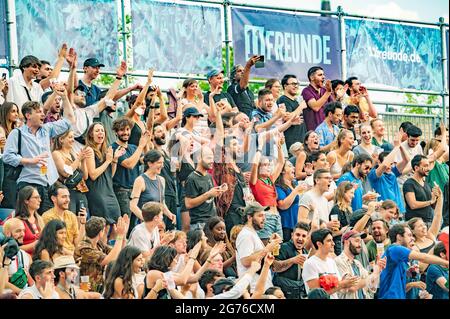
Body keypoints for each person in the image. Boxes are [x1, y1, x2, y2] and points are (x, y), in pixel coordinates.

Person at [2, 100, 73, 214]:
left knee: (46, 223)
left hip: (47, 185)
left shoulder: (47, 129)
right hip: (27, 184)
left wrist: (65, 96)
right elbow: (7, 156)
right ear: (28, 115)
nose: (43, 114)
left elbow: (69, 121)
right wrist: (30, 161)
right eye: (39, 112)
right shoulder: (17, 133)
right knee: (29, 220)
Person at [378, 223, 449, 299]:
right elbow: (423, 257)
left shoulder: (401, 260)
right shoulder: (394, 249)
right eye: (409, 235)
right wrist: (446, 262)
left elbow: (401, 287)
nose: (413, 239)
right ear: (399, 237)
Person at [85, 122, 124, 234]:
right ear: (91, 134)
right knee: (104, 227)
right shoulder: (89, 150)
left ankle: (112, 251)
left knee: (116, 226)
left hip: (109, 192)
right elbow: (92, 174)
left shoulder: (106, 151)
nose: (100, 133)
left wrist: (114, 160)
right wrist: (108, 161)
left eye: (102, 130)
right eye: (97, 131)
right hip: (97, 193)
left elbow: (109, 175)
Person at [74, 215, 130, 293]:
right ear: (101, 232)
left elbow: (118, 253)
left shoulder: (98, 244)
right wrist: (119, 236)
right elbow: (108, 260)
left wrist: (123, 236)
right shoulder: (84, 248)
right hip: (85, 289)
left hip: (98, 286)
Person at [235, 201, 281, 293]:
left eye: (264, 215)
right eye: (260, 216)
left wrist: (269, 244)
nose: (264, 219)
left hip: (260, 287)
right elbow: (246, 261)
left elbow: (258, 256)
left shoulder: (252, 233)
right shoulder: (246, 235)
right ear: (249, 217)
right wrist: (267, 248)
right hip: (252, 289)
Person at [302, 228, 359, 299]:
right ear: (319, 244)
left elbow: (339, 288)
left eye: (332, 240)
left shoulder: (331, 262)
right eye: (329, 241)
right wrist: (342, 285)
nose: (333, 243)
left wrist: (348, 283)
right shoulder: (310, 263)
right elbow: (317, 295)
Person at [111, 117, 149, 219]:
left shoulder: (133, 147)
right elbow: (129, 164)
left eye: (127, 129)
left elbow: (147, 160)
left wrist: (146, 143)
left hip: (134, 191)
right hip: (121, 191)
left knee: (133, 225)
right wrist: (141, 146)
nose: (125, 132)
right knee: (125, 222)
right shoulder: (114, 148)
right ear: (116, 132)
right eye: (122, 130)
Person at [249, 134, 285, 240]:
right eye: (264, 165)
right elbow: (254, 164)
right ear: (259, 167)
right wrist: (260, 147)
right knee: (266, 245)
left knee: (278, 246)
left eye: (269, 164)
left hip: (277, 216)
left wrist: (279, 146)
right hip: (266, 216)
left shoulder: (270, 179)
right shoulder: (255, 181)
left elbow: (281, 162)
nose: (268, 167)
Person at [130, 150, 176, 231]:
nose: (162, 166)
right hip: (143, 225)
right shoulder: (140, 180)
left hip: (157, 224)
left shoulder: (161, 180)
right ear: (150, 163)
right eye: (159, 163)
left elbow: (161, 203)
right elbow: (133, 206)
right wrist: (147, 220)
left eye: (162, 163)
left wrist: (169, 214)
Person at [335, 229, 385, 299]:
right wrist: (373, 275)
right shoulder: (338, 261)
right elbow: (352, 287)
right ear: (347, 242)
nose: (360, 245)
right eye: (357, 241)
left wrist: (378, 269)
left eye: (360, 242)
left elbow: (371, 286)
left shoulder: (357, 263)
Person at [185, 146, 224, 231]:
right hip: (200, 223)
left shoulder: (209, 176)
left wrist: (218, 191)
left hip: (212, 221)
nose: (212, 161)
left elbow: (209, 198)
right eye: (209, 158)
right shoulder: (192, 178)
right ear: (199, 158)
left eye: (212, 158)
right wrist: (209, 194)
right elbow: (188, 203)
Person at [52, 130, 89, 213]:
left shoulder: (73, 154)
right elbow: (65, 173)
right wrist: (79, 159)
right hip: (68, 192)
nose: (73, 140)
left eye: (73, 137)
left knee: (82, 220)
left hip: (81, 192)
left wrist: (83, 161)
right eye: (70, 137)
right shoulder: (56, 153)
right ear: (61, 139)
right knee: (70, 220)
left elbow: (85, 176)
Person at [42, 182, 86, 253]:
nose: (68, 200)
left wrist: (83, 223)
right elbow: (51, 245)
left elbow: (77, 243)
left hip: (73, 255)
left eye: (68, 196)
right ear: (53, 198)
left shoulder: (71, 215)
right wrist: (71, 254)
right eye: (64, 197)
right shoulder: (47, 217)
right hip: (58, 256)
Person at [368, 139, 409, 213]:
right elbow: (384, 165)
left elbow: (406, 160)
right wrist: (396, 147)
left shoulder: (392, 172)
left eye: (391, 163)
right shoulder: (374, 174)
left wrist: (400, 146)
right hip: (385, 212)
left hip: (398, 211)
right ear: (379, 162)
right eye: (389, 163)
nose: (389, 166)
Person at [272, 222, 310, 299]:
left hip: (299, 293)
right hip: (283, 292)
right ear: (292, 235)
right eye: (298, 235)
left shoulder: (305, 252)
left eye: (304, 236)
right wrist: (292, 260)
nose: (300, 238)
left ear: (307, 238)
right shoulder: (283, 247)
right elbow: (275, 267)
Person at [276, 160, 308, 242]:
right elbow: (282, 205)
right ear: (282, 170)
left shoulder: (294, 184)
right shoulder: (278, 186)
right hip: (286, 224)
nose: (293, 167)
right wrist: (296, 190)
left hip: (296, 224)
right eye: (289, 166)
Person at [403, 155, 438, 225]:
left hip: (430, 222)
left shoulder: (427, 184)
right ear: (416, 168)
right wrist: (431, 201)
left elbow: (433, 205)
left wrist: (436, 197)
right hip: (415, 224)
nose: (428, 169)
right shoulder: (409, 183)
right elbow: (413, 204)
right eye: (425, 166)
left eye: (428, 166)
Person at [1, 218, 32, 295]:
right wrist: (23, 293)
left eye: (23, 231)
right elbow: (2, 283)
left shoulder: (27, 256)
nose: (23, 234)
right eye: (18, 231)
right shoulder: (1, 253)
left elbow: (30, 280)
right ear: (8, 234)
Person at [11, 186, 45, 255]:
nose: (40, 200)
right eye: (36, 197)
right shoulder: (17, 221)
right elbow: (13, 248)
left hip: (40, 258)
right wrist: (33, 245)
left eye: (39, 197)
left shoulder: (40, 219)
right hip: (26, 260)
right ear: (26, 200)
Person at [301, 66, 333, 132]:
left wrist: (338, 97)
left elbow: (333, 107)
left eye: (323, 75)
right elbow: (315, 107)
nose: (323, 77)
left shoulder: (325, 90)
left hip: (327, 130)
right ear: (312, 77)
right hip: (313, 132)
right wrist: (328, 92)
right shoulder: (306, 91)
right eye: (320, 75)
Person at [0, 102, 20, 208]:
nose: (16, 114)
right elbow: (4, 151)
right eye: (13, 111)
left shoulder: (16, 130)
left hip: (16, 170)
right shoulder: (1, 129)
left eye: (17, 111)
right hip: (7, 169)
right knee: (10, 202)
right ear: (5, 113)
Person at [278, 74, 306, 149]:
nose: (296, 86)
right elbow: (287, 118)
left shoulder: (297, 101)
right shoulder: (283, 99)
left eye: (297, 84)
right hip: (290, 142)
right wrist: (301, 107)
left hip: (301, 141)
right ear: (285, 86)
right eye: (293, 84)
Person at [329, 181, 354, 255]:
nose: (353, 196)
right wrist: (344, 230)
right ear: (344, 192)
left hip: (347, 244)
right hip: (339, 246)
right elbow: (332, 233)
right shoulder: (336, 209)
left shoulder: (348, 209)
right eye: (351, 193)